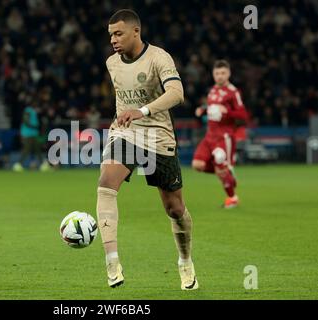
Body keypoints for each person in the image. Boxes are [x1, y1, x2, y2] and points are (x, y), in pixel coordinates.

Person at [97, 9, 197, 290]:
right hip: (125, 134)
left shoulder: (159, 57)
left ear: (136, 32)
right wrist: (126, 118)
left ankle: (185, 261)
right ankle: (112, 261)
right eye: (110, 35)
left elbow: (177, 94)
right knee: (106, 184)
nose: (113, 40)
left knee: (175, 209)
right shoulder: (111, 63)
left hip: (159, 138)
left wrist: (142, 110)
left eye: (118, 33)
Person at [192, 60, 248, 208]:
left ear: (228, 73)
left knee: (219, 162)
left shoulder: (233, 92)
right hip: (209, 136)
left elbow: (243, 115)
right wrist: (203, 109)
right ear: (213, 74)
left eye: (223, 73)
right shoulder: (213, 90)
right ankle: (227, 174)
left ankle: (232, 198)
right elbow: (213, 107)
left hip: (224, 137)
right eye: (217, 73)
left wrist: (227, 112)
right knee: (197, 165)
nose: (220, 76)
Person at [13, 103, 42, 171]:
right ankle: (18, 164)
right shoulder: (28, 110)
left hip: (34, 134)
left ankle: (42, 164)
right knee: (27, 149)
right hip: (27, 133)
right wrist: (34, 126)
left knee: (37, 149)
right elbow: (26, 120)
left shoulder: (33, 111)